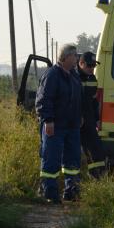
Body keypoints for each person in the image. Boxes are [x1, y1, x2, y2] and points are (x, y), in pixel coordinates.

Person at [36, 44, 83, 203]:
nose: (77, 58)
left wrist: (80, 117)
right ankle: (49, 193)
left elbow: (78, 99)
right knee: (51, 159)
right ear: (66, 57)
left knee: (73, 160)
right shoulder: (52, 75)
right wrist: (48, 121)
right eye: (75, 55)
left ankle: (71, 191)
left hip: (72, 126)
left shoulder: (74, 76)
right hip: (55, 126)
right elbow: (43, 100)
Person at [76, 51, 106, 178]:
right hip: (75, 120)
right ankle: (72, 181)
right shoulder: (73, 77)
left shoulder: (93, 79)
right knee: (72, 151)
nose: (92, 68)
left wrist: (97, 119)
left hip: (89, 120)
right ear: (81, 63)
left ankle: (96, 176)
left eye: (94, 66)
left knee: (95, 149)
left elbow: (94, 102)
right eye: (89, 65)